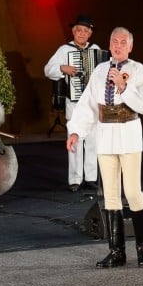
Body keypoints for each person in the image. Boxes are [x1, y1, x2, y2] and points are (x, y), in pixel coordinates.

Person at [66, 27, 143, 268]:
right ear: (109, 44)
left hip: (128, 135)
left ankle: (142, 246)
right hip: (105, 137)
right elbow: (87, 105)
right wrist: (76, 131)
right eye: (114, 41)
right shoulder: (99, 72)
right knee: (111, 195)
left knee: (133, 191)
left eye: (123, 42)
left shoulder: (138, 71)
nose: (118, 45)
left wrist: (125, 88)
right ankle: (117, 251)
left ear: (130, 46)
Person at [44, 14, 102, 192]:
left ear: (90, 33)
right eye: (79, 30)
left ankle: (91, 178)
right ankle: (75, 179)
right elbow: (48, 70)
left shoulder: (97, 50)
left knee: (93, 141)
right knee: (75, 141)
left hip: (93, 103)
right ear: (73, 31)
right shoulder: (64, 50)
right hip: (74, 102)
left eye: (86, 31)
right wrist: (63, 68)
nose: (82, 33)